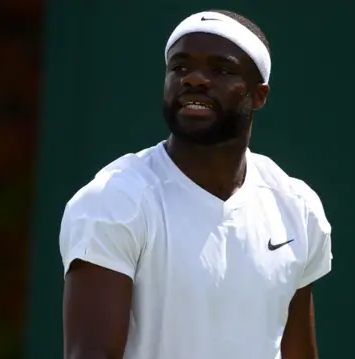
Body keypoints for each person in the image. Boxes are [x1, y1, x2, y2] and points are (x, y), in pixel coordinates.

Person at [59, 9, 332, 359]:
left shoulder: (297, 206)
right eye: (180, 68)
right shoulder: (113, 199)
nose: (195, 80)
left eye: (221, 70)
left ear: (259, 95)